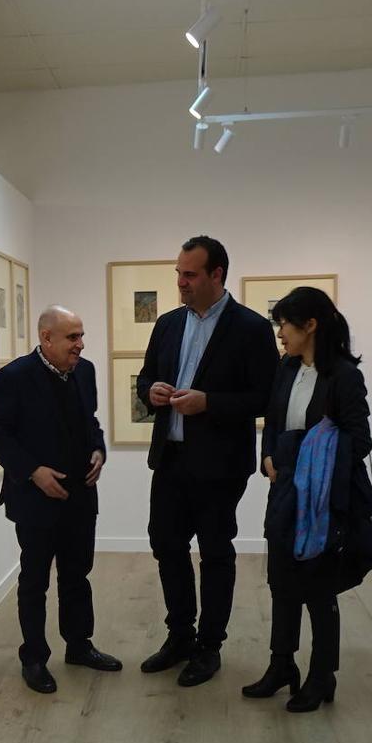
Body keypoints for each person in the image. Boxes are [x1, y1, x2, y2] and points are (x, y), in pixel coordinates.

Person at [135, 236, 279, 687]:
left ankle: (209, 646)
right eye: (179, 272)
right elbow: (144, 379)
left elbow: (266, 398)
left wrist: (210, 403)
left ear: (217, 275)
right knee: (166, 545)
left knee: (215, 554)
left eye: (190, 274)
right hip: (171, 459)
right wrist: (153, 392)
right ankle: (179, 636)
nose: (181, 282)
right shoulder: (168, 324)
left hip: (220, 466)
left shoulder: (251, 328)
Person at [241, 287, 372, 712]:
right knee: (281, 582)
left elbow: (361, 440)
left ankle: (322, 676)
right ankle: (282, 665)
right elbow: (275, 422)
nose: (280, 332)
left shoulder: (343, 376)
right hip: (285, 490)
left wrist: (313, 464)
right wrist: (268, 457)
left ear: (310, 325)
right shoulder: (286, 368)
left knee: (318, 590)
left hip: (323, 498)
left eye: (284, 323)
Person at [0, 305, 122, 694]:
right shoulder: (14, 377)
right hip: (35, 499)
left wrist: (99, 451)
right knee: (35, 580)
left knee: (78, 575)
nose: (80, 344)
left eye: (81, 336)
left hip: (80, 495)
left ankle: (79, 645)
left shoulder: (85, 371)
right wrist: (33, 471)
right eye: (72, 337)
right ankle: (35, 658)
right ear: (46, 338)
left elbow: (90, 422)